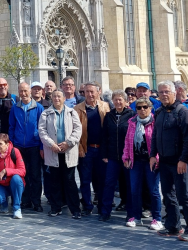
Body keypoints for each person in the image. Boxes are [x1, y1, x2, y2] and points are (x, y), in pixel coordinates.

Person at [150, 80, 188, 241]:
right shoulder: (159, 112)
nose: (164, 95)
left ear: (174, 93)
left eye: (167, 91)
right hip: (164, 161)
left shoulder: (183, 112)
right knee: (168, 194)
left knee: (184, 195)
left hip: (179, 161)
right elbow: (155, 136)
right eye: (161, 92)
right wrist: (153, 155)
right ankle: (173, 225)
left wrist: (184, 159)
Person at [39, 90, 82, 219]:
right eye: (54, 96)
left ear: (64, 98)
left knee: (70, 181)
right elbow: (42, 131)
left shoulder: (71, 112)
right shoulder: (46, 113)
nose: (56, 98)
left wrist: (69, 143)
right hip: (53, 151)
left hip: (68, 151)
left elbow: (77, 129)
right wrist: (51, 144)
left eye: (59, 96)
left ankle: (75, 209)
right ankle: (55, 207)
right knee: (54, 181)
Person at [123, 98, 163, 230]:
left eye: (145, 107)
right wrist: (126, 157)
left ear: (150, 108)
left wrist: (156, 157)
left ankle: (157, 218)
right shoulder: (132, 122)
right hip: (136, 160)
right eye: (139, 107)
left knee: (154, 190)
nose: (142, 110)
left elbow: (158, 142)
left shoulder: (155, 121)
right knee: (134, 190)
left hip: (151, 160)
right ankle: (136, 216)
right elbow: (128, 141)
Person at [8, 82, 44, 212]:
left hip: (33, 145)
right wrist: (12, 144)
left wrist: (41, 146)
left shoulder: (38, 108)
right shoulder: (15, 108)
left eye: (25, 91)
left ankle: (36, 201)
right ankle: (25, 200)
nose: (23, 94)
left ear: (30, 91)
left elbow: (42, 128)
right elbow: (11, 127)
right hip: (18, 146)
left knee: (35, 175)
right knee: (22, 174)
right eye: (21, 91)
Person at [75, 81, 109, 217]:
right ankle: (87, 206)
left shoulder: (105, 107)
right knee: (85, 180)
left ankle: (101, 206)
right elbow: (75, 132)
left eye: (92, 91)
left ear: (98, 92)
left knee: (101, 180)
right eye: (86, 92)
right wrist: (79, 148)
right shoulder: (78, 109)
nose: (89, 94)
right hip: (86, 149)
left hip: (101, 150)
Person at [100, 90, 135, 221]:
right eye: (115, 100)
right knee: (109, 183)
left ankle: (131, 213)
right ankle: (105, 211)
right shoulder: (109, 116)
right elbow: (104, 136)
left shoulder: (132, 115)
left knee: (129, 184)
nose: (118, 102)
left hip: (127, 157)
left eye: (120, 99)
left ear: (126, 101)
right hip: (112, 156)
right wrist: (104, 154)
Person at [0, 133, 26, 219]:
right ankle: (4, 203)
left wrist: (6, 171)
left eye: (0, 144)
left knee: (16, 178)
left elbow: (22, 171)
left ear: (7, 144)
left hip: (14, 184)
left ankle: (17, 208)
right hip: (1, 185)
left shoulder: (15, 152)